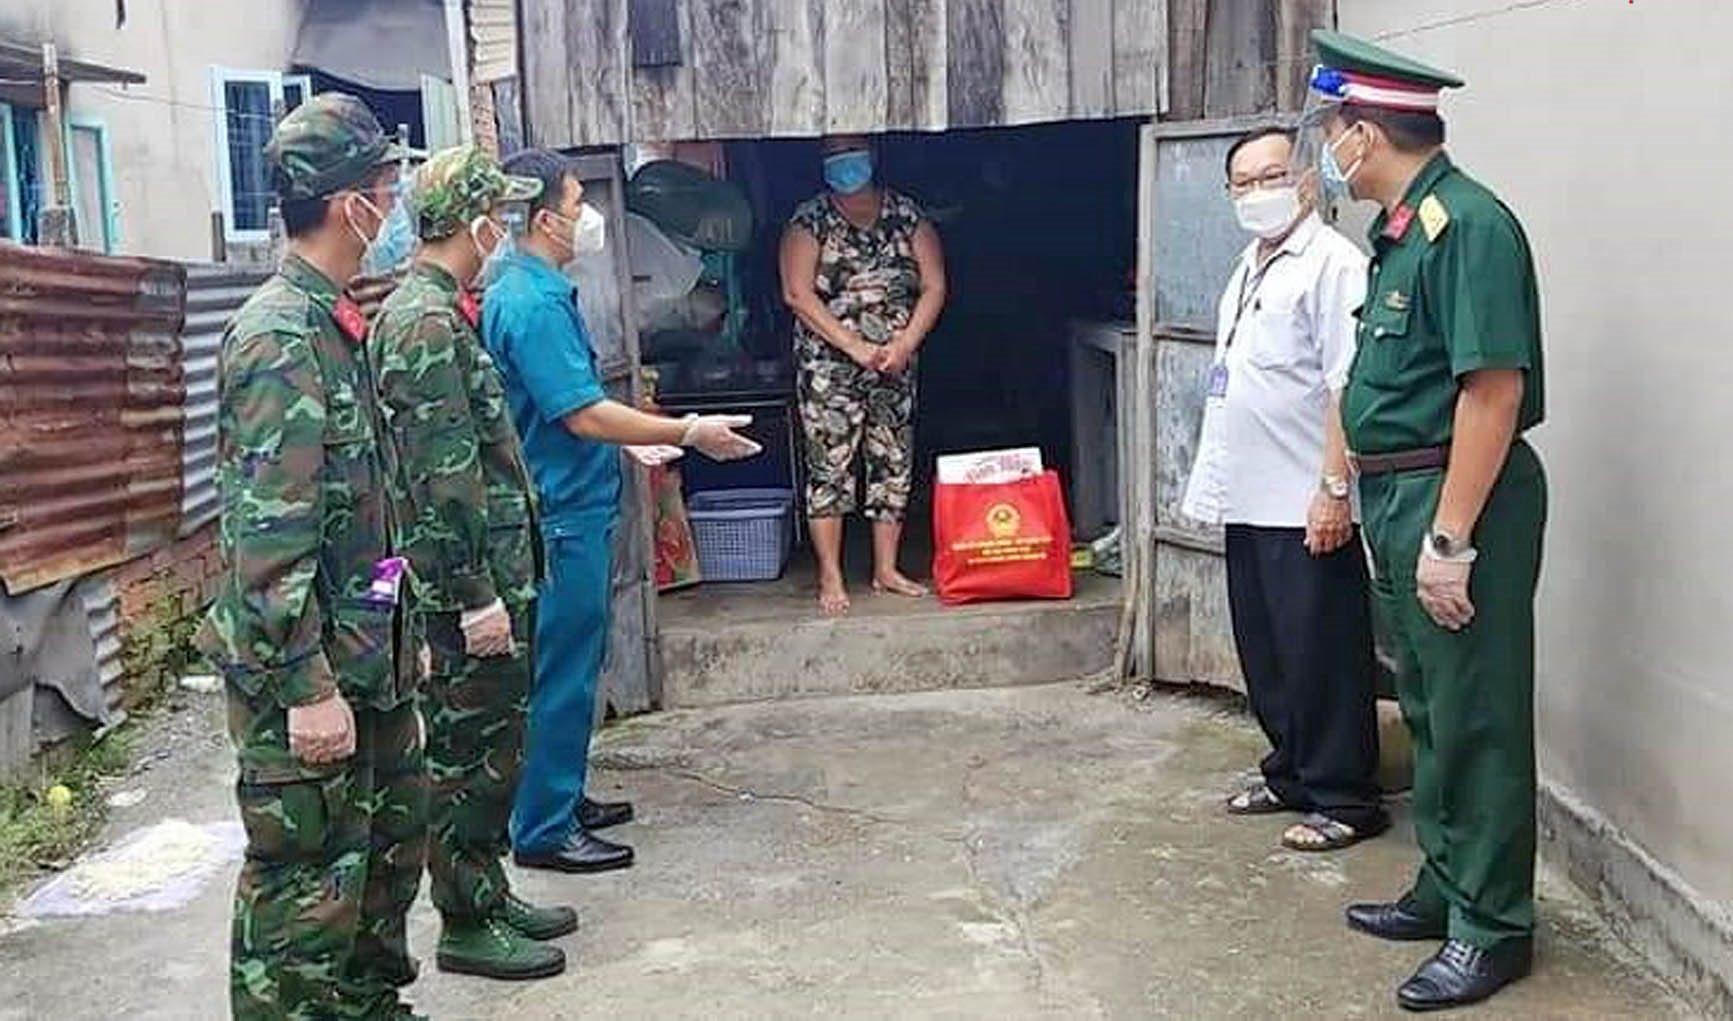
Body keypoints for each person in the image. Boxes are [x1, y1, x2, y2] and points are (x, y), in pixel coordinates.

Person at [1298, 30, 1548, 1011]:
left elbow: (1491, 391)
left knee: (1475, 714)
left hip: (1454, 498)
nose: (1326, 149)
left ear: (1362, 132)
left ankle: (1491, 926)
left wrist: (1449, 540)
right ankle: (1445, 885)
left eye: (1330, 129)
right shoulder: (1402, 233)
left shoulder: (1464, 226)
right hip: (1401, 494)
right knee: (1431, 708)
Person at [195, 93, 428, 1020]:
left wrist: (401, 631)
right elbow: (268, 534)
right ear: (347, 203)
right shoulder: (279, 339)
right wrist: (304, 685)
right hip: (310, 669)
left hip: (368, 654)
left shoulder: (336, 323)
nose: (394, 203)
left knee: (381, 862)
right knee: (306, 890)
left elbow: (368, 513)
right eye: (386, 187)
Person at [483, 148, 761, 874]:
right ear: (543, 219)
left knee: (580, 660)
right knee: (564, 669)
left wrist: (632, 439)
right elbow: (580, 413)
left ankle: (561, 794)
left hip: (575, 499)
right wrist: (686, 431)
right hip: (561, 512)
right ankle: (543, 826)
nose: (588, 217)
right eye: (577, 204)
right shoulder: (530, 302)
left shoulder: (537, 288)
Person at [367, 144, 574, 982]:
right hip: (464, 587)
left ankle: (485, 888)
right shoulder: (420, 322)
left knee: (497, 748)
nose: (503, 228)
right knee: (465, 754)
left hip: (491, 570)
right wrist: (474, 593)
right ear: (472, 223)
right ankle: (463, 917)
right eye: (496, 214)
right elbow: (440, 474)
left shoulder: (445, 310)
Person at [1182, 126, 1388, 853]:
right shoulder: (1249, 264)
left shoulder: (1334, 265)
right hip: (1250, 496)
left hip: (1306, 498)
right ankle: (1291, 772)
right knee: (1268, 652)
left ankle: (1345, 796)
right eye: (1243, 183)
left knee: (1321, 652)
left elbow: (1345, 383)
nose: (1258, 192)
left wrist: (1333, 488)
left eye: (1272, 176)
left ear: (1305, 180)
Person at [779, 134, 948, 614]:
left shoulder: (906, 215)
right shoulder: (808, 221)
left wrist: (905, 344)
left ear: (872, 155)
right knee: (830, 464)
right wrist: (853, 346)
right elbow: (797, 294)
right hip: (828, 366)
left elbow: (935, 286)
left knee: (892, 458)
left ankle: (886, 569)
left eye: (851, 152)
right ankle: (830, 575)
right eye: (833, 155)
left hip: (895, 360)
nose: (843, 163)